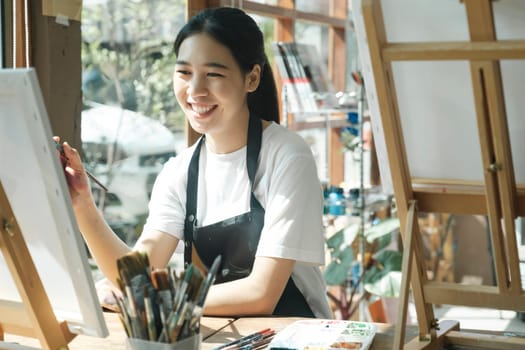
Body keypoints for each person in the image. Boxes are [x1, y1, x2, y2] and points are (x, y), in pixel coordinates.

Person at [58, 6, 332, 319]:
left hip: (292, 336)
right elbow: (136, 275)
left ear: (252, 78)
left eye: (213, 74)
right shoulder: (180, 171)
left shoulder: (287, 156)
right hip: (221, 334)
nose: (195, 90)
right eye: (185, 72)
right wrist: (82, 203)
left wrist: (160, 298)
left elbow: (261, 294)